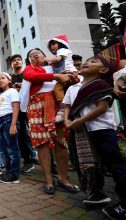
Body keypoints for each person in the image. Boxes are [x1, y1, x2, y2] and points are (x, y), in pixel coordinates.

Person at [63, 53, 126, 219]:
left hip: (102, 129)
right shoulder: (75, 87)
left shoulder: (101, 84)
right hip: (84, 131)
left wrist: (78, 121)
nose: (86, 63)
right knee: (91, 164)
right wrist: (67, 121)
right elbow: (67, 107)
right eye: (86, 61)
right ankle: (97, 193)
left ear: (103, 69)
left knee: (115, 165)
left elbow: (102, 107)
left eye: (94, 61)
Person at [24, 48, 79, 194]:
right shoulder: (30, 69)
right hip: (36, 106)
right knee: (42, 144)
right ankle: (48, 180)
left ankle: (63, 178)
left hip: (57, 105)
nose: (35, 55)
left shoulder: (57, 66)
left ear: (45, 56)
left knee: (61, 142)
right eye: (31, 55)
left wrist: (68, 76)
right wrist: (57, 77)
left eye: (38, 52)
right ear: (29, 60)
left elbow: (75, 78)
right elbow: (30, 76)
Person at [10, 54, 38, 173]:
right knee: (21, 135)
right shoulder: (10, 77)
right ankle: (28, 161)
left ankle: (45, 161)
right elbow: (10, 89)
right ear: (11, 64)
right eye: (14, 61)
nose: (16, 62)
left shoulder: (27, 71)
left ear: (22, 62)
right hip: (18, 109)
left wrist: (17, 86)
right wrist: (17, 86)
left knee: (37, 131)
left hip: (32, 105)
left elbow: (31, 83)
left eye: (18, 60)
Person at [45, 35, 78, 122]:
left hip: (69, 73)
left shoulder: (62, 51)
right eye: (50, 45)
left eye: (53, 44)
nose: (51, 46)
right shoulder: (61, 52)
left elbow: (57, 59)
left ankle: (62, 110)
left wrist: (45, 59)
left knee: (57, 88)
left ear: (60, 44)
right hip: (69, 73)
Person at [0, 72, 20, 183]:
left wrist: (13, 124)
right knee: (3, 149)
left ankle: (14, 174)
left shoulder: (12, 91)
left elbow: (16, 107)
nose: (0, 80)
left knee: (12, 148)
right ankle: (8, 171)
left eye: (2, 78)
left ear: (9, 80)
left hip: (9, 120)